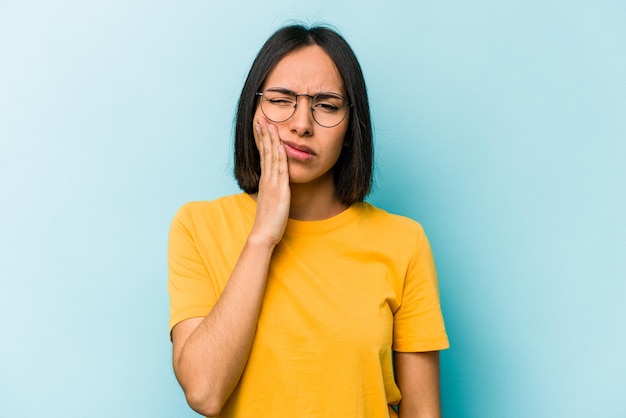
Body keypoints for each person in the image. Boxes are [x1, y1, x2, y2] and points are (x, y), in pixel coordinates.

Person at [168, 24, 449, 418]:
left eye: (327, 105)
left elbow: (423, 411)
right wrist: (262, 237)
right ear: (253, 110)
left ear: (352, 128)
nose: (302, 124)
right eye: (281, 100)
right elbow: (204, 392)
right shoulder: (198, 226)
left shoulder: (403, 241)